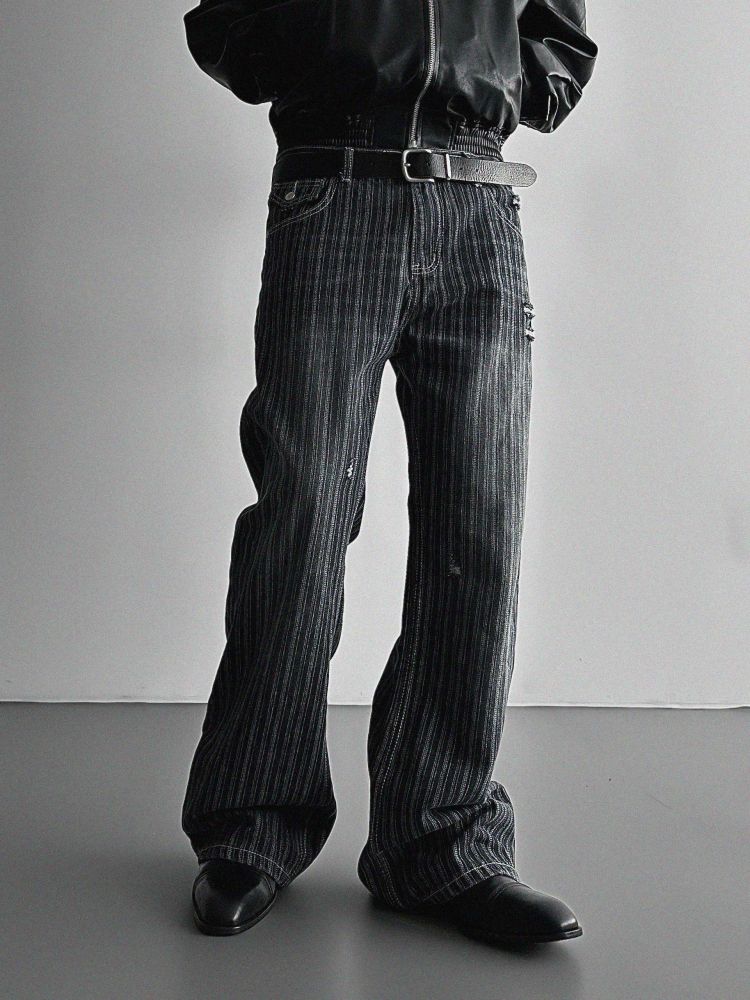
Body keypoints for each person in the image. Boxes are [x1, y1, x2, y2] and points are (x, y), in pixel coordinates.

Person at [180, 0, 598, 944]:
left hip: (479, 207)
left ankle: (442, 843)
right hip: (333, 189)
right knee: (303, 512)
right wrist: (335, 55)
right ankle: (253, 824)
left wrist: (497, 85)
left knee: (477, 524)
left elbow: (561, 42)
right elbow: (225, 24)